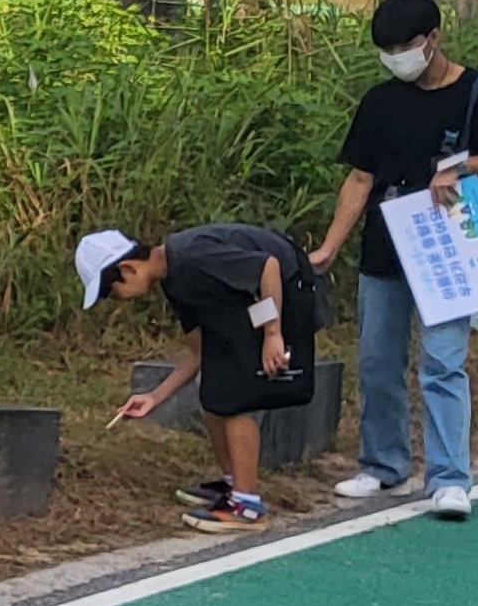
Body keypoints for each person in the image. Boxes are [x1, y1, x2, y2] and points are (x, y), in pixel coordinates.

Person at [307, 0, 478, 524]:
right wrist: (331, 245)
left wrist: (462, 167)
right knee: (378, 360)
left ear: (434, 40)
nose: (396, 57)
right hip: (387, 244)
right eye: (387, 49)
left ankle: (450, 478)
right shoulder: (380, 101)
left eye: (405, 46)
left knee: (443, 363)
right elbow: (359, 177)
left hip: (448, 247)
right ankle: (383, 463)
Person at [81, 222, 315, 532]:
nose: (118, 299)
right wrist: (154, 397)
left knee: (233, 395)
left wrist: (273, 333)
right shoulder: (176, 283)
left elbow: (266, 267)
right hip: (255, 300)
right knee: (213, 389)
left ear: (127, 268)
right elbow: (198, 352)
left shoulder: (191, 257)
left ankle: (247, 507)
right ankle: (235, 486)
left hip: (285, 289)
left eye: (112, 291)